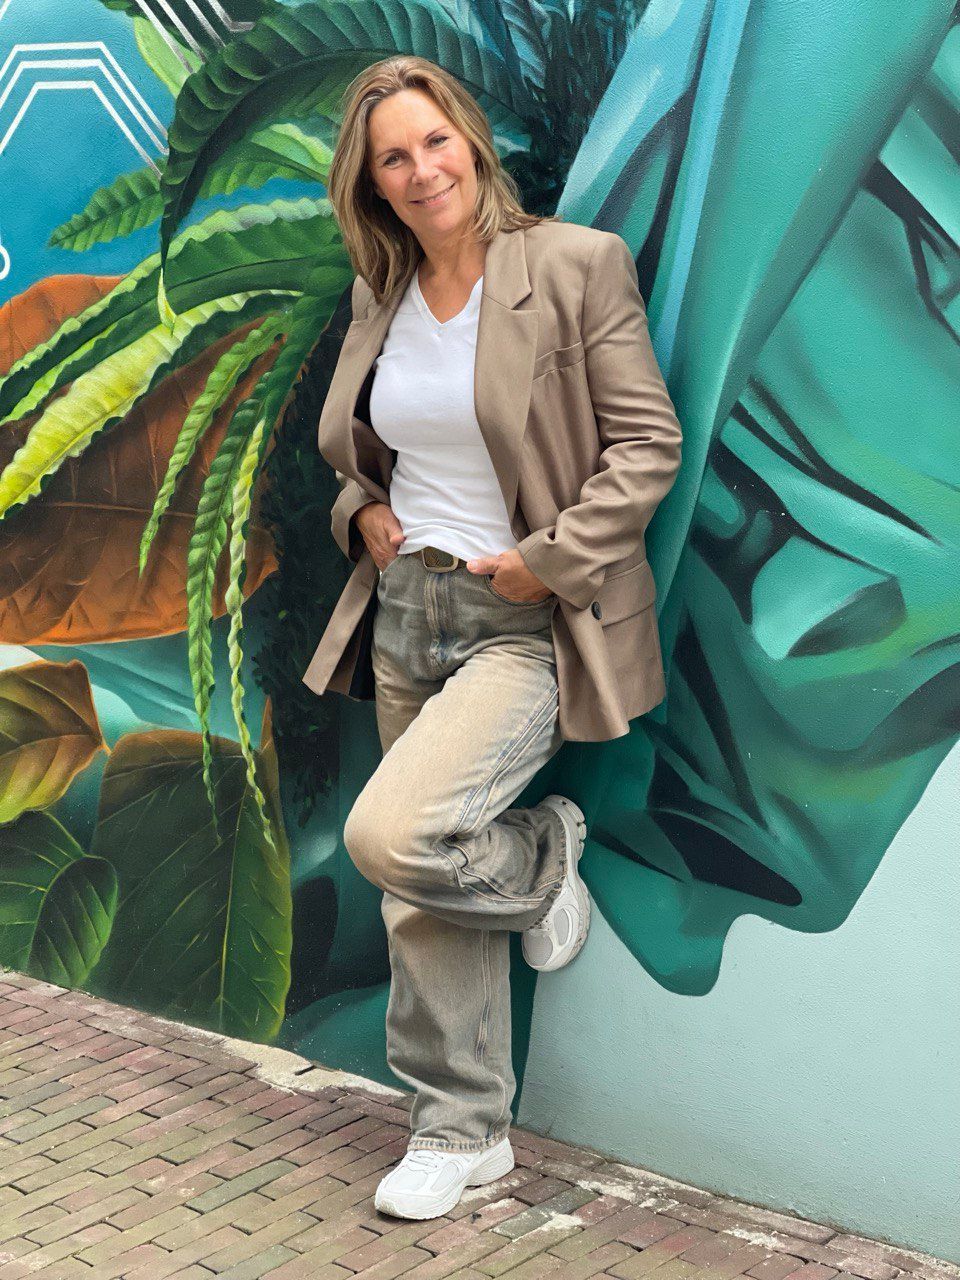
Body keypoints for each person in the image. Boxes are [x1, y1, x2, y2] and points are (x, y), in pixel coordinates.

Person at [303, 53, 683, 1221]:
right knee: (418, 896)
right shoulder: (385, 293)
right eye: (392, 160)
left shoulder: (572, 265)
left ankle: (535, 855)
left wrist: (547, 558)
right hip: (406, 610)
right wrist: (357, 511)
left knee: (392, 834)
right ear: (370, 187)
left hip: (521, 618)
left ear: (469, 140)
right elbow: (367, 453)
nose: (422, 172)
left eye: (434, 143)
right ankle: (461, 1132)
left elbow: (647, 445)